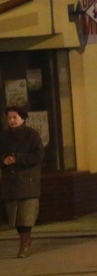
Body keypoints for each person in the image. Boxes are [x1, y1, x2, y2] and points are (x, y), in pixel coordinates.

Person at [0, 106, 44, 259]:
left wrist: (18, 159)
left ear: (22, 118)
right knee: (15, 216)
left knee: (26, 215)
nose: (11, 120)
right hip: (10, 183)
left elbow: (38, 156)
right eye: (9, 118)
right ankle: (24, 239)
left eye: (14, 117)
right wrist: (3, 160)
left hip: (27, 182)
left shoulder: (32, 135)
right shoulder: (4, 137)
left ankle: (25, 245)